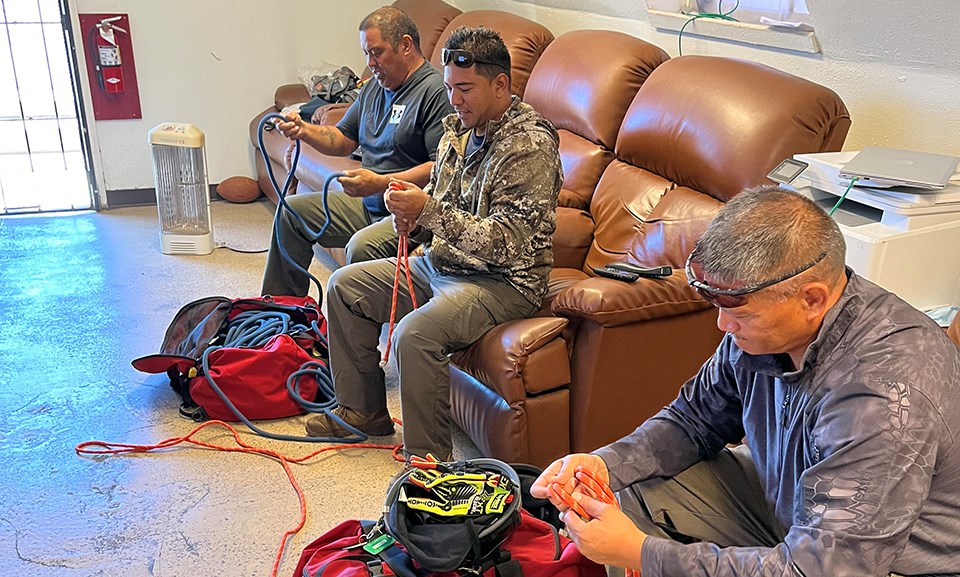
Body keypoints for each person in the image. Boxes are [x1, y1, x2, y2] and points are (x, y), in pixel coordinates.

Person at [531, 186, 960, 577]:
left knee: (634, 545)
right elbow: (692, 421)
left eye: (739, 311)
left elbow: (825, 570)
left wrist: (642, 553)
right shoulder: (764, 328)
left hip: (883, 562)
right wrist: (605, 464)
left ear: (812, 298)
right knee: (624, 492)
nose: (722, 325)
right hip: (792, 505)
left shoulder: (883, 395)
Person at [304, 26, 563, 460]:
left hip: (501, 282)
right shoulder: (457, 131)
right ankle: (363, 412)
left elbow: (509, 244)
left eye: (465, 89)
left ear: (501, 84)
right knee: (346, 286)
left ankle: (429, 466)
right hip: (443, 265)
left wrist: (427, 212)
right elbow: (441, 206)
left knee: (414, 334)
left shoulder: (530, 145)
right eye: (449, 89)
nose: (455, 100)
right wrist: (409, 212)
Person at [261, 6, 454, 297]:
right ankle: (281, 314)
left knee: (361, 247)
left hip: (407, 215)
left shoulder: (434, 92)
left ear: (405, 45)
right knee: (290, 214)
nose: (370, 63)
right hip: (369, 203)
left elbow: (440, 168)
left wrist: (380, 182)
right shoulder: (374, 87)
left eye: (377, 52)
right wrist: (304, 130)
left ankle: (362, 338)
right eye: (366, 53)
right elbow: (343, 138)